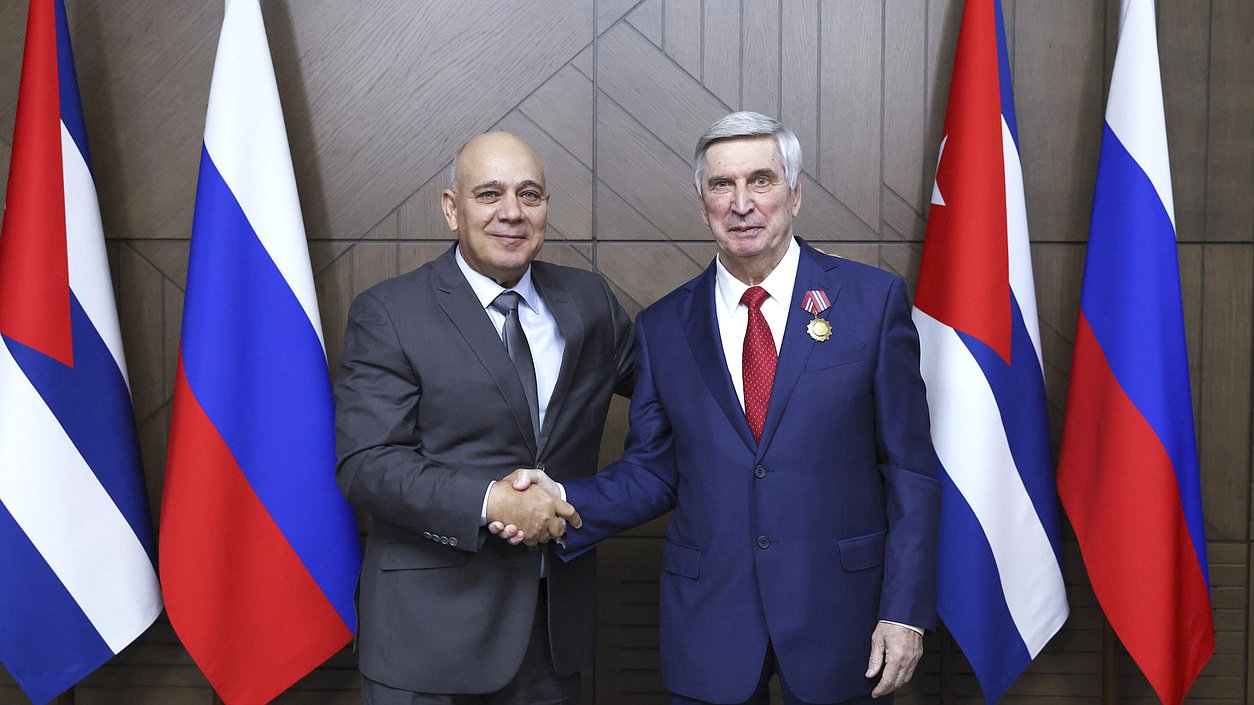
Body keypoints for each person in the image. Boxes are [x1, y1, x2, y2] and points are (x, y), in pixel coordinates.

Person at [498, 112, 939, 704]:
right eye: (722, 185)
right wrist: (561, 499)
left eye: (761, 181)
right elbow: (654, 472)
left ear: (795, 194)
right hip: (711, 623)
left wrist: (905, 611)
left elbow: (909, 471)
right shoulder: (663, 327)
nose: (742, 203)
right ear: (702, 202)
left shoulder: (871, 302)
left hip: (844, 619)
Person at [335, 131, 634, 705]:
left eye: (529, 194)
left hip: (550, 636)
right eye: (489, 194)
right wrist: (490, 501)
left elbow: (675, 392)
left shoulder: (589, 301)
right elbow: (367, 465)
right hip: (426, 638)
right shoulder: (390, 312)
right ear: (452, 209)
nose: (512, 212)